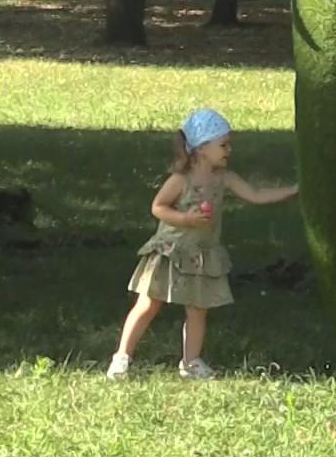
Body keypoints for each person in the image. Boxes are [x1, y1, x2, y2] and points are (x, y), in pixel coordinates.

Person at [108, 108, 298, 380]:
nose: (228, 150)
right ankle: (122, 358)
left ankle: (191, 362)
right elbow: (158, 207)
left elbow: (255, 195)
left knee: (198, 309)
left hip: (202, 254)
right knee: (149, 303)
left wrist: (292, 191)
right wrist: (184, 218)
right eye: (223, 144)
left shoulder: (224, 178)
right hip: (172, 252)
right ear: (201, 148)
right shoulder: (180, 180)